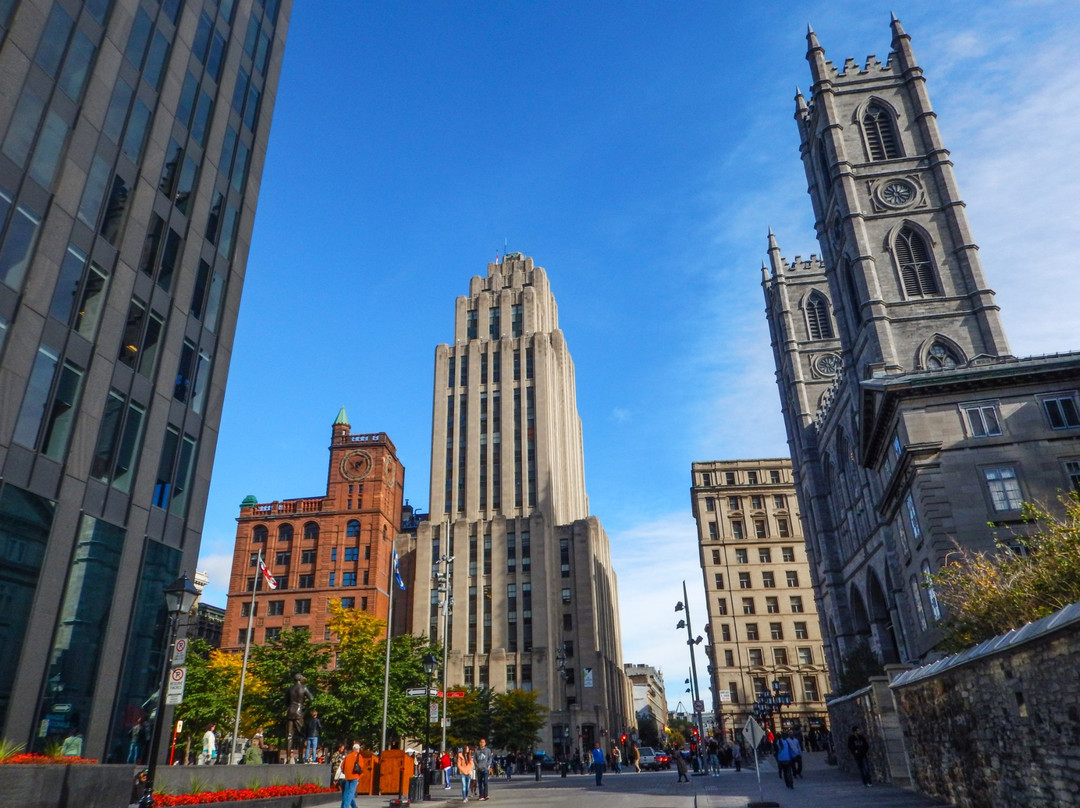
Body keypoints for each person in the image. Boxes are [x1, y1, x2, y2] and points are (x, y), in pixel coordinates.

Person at [286, 673, 313, 764]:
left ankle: (288, 757)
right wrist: (305, 709)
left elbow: (286, 701)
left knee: (289, 736)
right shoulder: (304, 688)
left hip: (290, 712)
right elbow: (311, 699)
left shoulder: (290, 689)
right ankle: (300, 757)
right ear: (300, 679)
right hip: (299, 712)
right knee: (301, 735)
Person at [341, 742, 363, 808]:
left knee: (347, 792)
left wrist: (346, 773)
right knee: (350, 793)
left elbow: (342, 766)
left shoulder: (348, 756)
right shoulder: (359, 756)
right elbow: (361, 766)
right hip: (355, 776)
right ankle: (345, 806)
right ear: (358, 749)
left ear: (353, 749)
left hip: (347, 776)